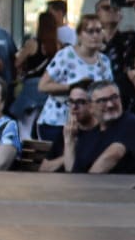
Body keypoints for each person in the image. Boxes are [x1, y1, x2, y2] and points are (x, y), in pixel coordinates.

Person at [37, 13, 114, 148]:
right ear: (79, 35)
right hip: (58, 122)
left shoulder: (104, 61)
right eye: (90, 31)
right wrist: (72, 87)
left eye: (98, 30)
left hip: (89, 124)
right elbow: (42, 86)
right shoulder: (66, 55)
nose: (95, 35)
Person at [95, 0, 135, 80]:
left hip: (126, 89)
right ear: (97, 14)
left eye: (116, 8)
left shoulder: (130, 37)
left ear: (121, 15)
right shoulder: (91, 41)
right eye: (106, 8)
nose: (111, 10)